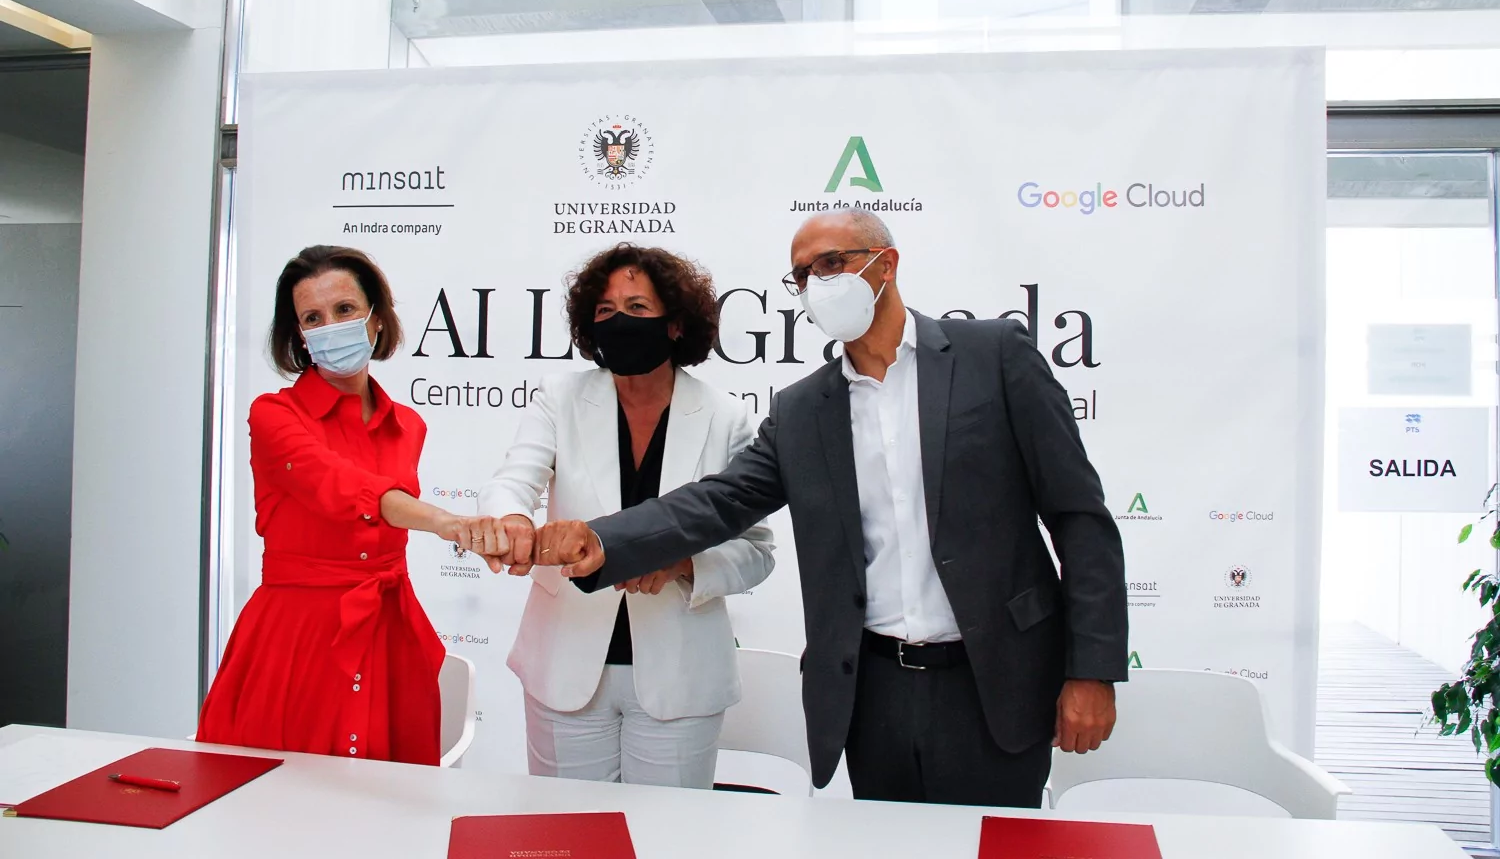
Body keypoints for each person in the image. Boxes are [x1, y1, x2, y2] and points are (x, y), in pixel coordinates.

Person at [530, 210, 1127, 807]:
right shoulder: (803, 410)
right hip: (872, 692)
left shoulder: (993, 355)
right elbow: (720, 499)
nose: (817, 283)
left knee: (993, 846)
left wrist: (1091, 670)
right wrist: (603, 539)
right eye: (802, 274)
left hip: (997, 680)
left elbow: (1080, 517)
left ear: (886, 265)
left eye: (833, 263)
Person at [197, 245, 512, 764]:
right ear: (298, 334)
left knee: (389, 795)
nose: (331, 327)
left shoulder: (408, 424)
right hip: (298, 637)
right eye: (312, 318)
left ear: (376, 318)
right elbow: (339, 485)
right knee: (276, 794)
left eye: (344, 310)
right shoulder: (274, 415)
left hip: (391, 632)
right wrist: (447, 523)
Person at [479, 244, 775, 789]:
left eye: (638, 308)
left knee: (667, 832)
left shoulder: (726, 415)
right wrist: (511, 522)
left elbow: (756, 550)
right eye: (605, 310)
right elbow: (512, 482)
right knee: (567, 829)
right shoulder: (559, 398)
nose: (619, 321)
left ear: (675, 324)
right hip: (564, 665)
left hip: (681, 677)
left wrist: (684, 564)